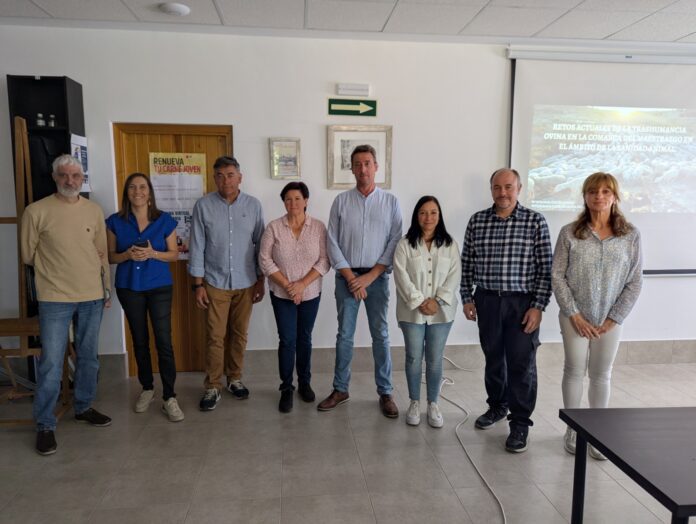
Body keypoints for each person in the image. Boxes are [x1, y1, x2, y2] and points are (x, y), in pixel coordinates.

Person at [20, 154, 112, 455]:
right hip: (54, 297)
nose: (70, 180)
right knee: (50, 362)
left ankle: (83, 406)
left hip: (91, 295)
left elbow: (101, 253)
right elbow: (28, 255)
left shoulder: (93, 211)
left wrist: (106, 290)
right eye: (64, 175)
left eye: (75, 175)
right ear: (54, 177)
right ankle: (45, 424)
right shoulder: (36, 211)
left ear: (82, 179)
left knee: (88, 357)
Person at [460, 168, 552, 453]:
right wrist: (467, 297)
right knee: (493, 358)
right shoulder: (477, 221)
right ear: (491, 190)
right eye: (497, 187)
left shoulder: (535, 221)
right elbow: (467, 263)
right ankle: (497, 406)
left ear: (519, 189)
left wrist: (538, 306)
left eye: (508, 187)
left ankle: (520, 423)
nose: (503, 192)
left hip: (522, 303)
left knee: (521, 363)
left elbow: (545, 270)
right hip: (487, 300)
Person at [552, 172, 642, 460]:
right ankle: (573, 428)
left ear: (615, 197)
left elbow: (635, 281)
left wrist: (613, 319)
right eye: (593, 191)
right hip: (574, 317)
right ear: (585, 196)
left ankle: (597, 434)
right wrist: (574, 314)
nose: (599, 197)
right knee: (574, 370)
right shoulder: (569, 233)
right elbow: (557, 276)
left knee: (601, 374)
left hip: (609, 322)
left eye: (605, 192)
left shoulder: (630, 235)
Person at [319, 144, 403, 418]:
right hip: (347, 279)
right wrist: (350, 277)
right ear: (352, 169)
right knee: (345, 335)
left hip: (377, 279)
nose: (363, 169)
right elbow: (331, 241)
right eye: (357, 164)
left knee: (381, 334)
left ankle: (386, 392)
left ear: (376, 167)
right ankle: (340, 389)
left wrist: (370, 277)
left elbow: (395, 240)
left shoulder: (391, 202)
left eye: (367, 163)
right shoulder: (341, 201)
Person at [106, 173, 184, 422]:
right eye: (132, 187)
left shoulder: (164, 220)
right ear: (126, 193)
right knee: (139, 340)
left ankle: (169, 396)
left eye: (142, 187)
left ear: (149, 192)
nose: (137, 191)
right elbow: (110, 256)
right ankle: (147, 388)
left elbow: (174, 254)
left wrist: (153, 253)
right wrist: (127, 255)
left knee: (164, 340)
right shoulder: (115, 221)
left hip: (159, 286)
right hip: (129, 287)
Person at [189, 155, 265, 411]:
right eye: (220, 176)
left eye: (230, 175)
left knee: (240, 334)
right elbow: (197, 245)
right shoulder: (203, 206)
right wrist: (198, 285)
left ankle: (234, 378)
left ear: (240, 177)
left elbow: (261, 246)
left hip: (246, 281)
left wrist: (261, 280)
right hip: (215, 282)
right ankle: (213, 385)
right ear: (214, 179)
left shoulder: (253, 206)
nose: (226, 181)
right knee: (215, 336)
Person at [259, 182, 330, 413]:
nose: (293, 203)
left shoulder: (318, 227)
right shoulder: (274, 227)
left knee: (305, 338)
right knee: (288, 340)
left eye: (298, 198)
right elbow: (264, 260)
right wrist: (288, 286)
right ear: (283, 202)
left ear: (306, 201)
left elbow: (324, 261)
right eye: (288, 199)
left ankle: (304, 383)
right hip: (282, 294)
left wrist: (302, 285)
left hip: (310, 293)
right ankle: (286, 388)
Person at [393, 196, 461, 428]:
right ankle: (414, 401)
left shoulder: (450, 245)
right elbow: (401, 276)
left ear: (439, 216)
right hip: (411, 312)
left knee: (434, 359)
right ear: (416, 216)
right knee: (413, 357)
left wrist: (437, 301)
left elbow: (454, 275)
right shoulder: (405, 244)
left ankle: (433, 403)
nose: (428, 217)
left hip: (442, 313)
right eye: (423, 212)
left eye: (433, 212)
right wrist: (421, 301)